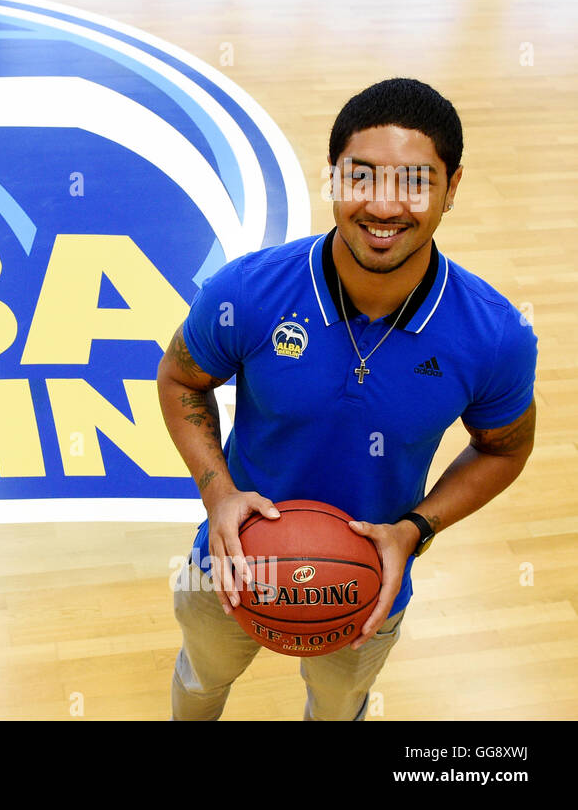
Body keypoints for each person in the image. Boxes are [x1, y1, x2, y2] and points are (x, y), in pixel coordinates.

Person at [156, 77, 538, 721]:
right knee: (199, 684)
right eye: (360, 177)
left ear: (453, 187)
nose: (384, 207)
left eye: (415, 182)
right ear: (332, 178)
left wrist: (415, 530)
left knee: (337, 711)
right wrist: (218, 492)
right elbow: (181, 379)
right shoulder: (248, 291)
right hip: (228, 562)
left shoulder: (494, 335)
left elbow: (505, 448)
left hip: (371, 582)